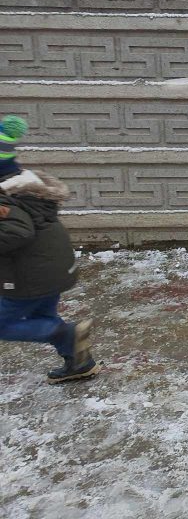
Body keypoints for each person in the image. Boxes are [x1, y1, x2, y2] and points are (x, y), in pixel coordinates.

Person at [0, 115, 97, 384]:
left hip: (31, 275)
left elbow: (17, 232)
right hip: (50, 267)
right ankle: (80, 363)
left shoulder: (4, 197)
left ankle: (68, 335)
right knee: (42, 316)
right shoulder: (23, 187)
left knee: (3, 324)